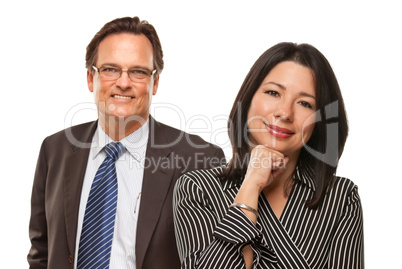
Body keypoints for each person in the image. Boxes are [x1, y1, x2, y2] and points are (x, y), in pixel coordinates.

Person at [27, 16, 225, 269]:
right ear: (91, 78)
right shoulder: (55, 149)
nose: (123, 82)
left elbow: (214, 259)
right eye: (110, 69)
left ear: (155, 83)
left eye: (138, 72)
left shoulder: (202, 159)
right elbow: (41, 252)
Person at [173, 42, 364, 268]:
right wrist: (251, 185)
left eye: (305, 103)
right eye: (273, 93)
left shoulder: (341, 198)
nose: (284, 112)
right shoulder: (197, 188)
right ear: (248, 99)